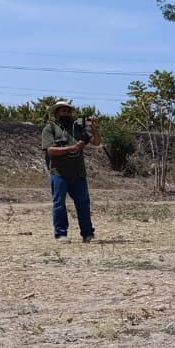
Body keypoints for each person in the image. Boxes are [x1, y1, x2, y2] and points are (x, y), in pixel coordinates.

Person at [40, 100, 101, 242]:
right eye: (63, 111)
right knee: (59, 204)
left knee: (83, 204)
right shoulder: (50, 128)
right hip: (59, 173)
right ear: (56, 113)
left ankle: (87, 234)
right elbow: (51, 150)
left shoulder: (78, 126)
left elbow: (96, 142)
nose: (66, 114)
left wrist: (95, 128)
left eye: (68, 111)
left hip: (78, 173)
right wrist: (73, 148)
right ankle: (61, 234)